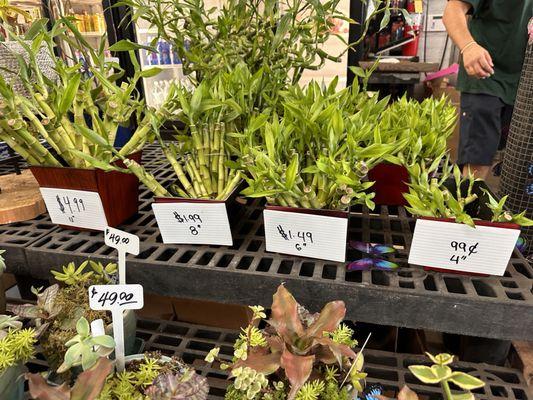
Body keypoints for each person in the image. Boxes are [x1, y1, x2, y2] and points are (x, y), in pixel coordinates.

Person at [443, 0, 533, 179]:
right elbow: (452, 11)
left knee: (522, 166)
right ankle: (469, 204)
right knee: (478, 161)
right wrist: (468, 46)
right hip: (486, 76)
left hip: (525, 83)